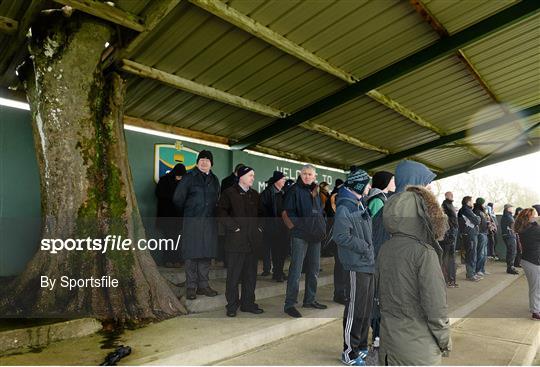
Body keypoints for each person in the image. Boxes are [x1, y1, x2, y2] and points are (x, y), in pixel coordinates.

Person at [377, 162, 450, 366]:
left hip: (390, 346)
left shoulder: (387, 247)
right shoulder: (424, 253)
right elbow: (436, 308)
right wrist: (444, 341)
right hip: (417, 349)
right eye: (427, 187)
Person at [332, 167, 373, 366]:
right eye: (367, 183)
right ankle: (349, 352)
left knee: (365, 308)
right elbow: (340, 236)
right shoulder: (345, 206)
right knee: (355, 308)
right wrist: (365, 247)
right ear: (359, 184)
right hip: (356, 263)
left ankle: (361, 346)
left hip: (367, 262)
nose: (370, 187)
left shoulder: (359, 203)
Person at [217, 166, 264, 317]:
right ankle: (231, 305)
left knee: (250, 276)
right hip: (236, 243)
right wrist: (234, 227)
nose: (253, 178)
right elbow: (221, 212)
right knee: (234, 277)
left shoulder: (255, 195)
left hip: (252, 242)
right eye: (250, 175)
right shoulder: (229, 193)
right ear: (241, 176)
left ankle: (248, 303)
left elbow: (262, 214)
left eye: (253, 175)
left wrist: (260, 229)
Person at [173, 150, 220, 300]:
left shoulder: (214, 180)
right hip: (192, 222)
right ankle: (191, 287)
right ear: (197, 161)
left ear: (211, 163)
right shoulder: (188, 177)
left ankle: (203, 286)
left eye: (207, 159)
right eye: (202, 159)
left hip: (209, 223)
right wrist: (190, 213)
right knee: (191, 255)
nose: (204, 162)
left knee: (206, 254)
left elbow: (216, 199)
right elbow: (177, 199)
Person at [282, 164, 327, 318]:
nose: (307, 176)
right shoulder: (294, 190)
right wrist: (301, 227)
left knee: (314, 268)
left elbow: (320, 212)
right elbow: (288, 213)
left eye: (310, 174)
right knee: (296, 270)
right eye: (304, 173)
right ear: (300, 175)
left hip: (315, 235)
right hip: (300, 235)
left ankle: (310, 299)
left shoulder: (316, 191)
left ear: (315, 176)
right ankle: (290, 304)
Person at [365, 170, 395, 348]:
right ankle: (377, 335)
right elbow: (376, 232)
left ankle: (378, 334)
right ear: (385, 182)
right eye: (392, 180)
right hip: (377, 256)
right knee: (377, 298)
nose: (394, 183)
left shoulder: (383, 199)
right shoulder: (378, 200)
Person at [260, 171, 289, 282]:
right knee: (276, 251)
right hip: (272, 227)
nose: (284, 181)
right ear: (277, 181)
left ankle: (279, 271)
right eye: (283, 179)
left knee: (282, 251)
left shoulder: (283, 193)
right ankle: (277, 273)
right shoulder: (267, 193)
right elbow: (262, 211)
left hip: (283, 227)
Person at [155, 163, 186, 267]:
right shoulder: (164, 180)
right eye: (178, 175)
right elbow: (159, 194)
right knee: (168, 238)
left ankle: (177, 260)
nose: (179, 177)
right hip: (167, 215)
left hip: (179, 216)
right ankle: (167, 260)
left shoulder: (184, 182)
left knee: (177, 239)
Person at [514, 208, 540, 320]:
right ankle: (535, 311)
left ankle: (535, 307)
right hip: (533, 261)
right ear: (530, 217)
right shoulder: (534, 229)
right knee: (536, 287)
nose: (537, 215)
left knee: (536, 287)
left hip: (529, 260)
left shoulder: (526, 227)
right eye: (535, 214)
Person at [458, 196, 481, 281]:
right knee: (471, 254)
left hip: (471, 234)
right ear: (468, 202)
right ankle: (470, 274)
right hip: (469, 234)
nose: (472, 203)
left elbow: (477, 219)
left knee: (472, 253)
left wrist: (477, 218)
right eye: (471, 201)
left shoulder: (468, 210)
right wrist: (477, 218)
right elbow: (477, 221)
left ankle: (472, 273)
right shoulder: (465, 210)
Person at [440, 192, 459, 288]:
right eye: (450, 195)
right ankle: (448, 280)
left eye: (452, 195)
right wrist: (449, 232)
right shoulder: (445, 206)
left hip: (451, 233)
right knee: (447, 257)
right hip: (449, 235)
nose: (452, 196)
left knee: (451, 257)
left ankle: (451, 279)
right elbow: (445, 220)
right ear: (446, 196)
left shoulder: (450, 205)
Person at [501, 204, 520, 275]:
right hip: (509, 235)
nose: (512, 209)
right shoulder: (508, 216)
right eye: (511, 208)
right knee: (512, 251)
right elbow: (513, 226)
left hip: (507, 235)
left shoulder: (506, 215)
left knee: (510, 251)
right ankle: (510, 268)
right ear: (508, 208)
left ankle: (510, 267)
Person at [473, 198, 489, 277]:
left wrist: (488, 224)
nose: (484, 205)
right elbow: (479, 223)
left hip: (485, 233)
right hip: (480, 233)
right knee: (480, 253)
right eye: (483, 203)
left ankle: (482, 269)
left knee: (484, 253)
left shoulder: (482, 212)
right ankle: (478, 270)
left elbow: (484, 222)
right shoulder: (476, 211)